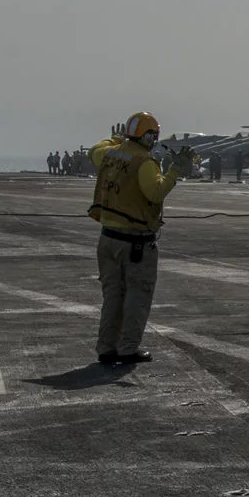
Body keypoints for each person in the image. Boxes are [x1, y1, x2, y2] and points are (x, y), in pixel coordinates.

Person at [86, 112, 185, 366]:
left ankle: (106, 348)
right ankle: (129, 348)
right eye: (153, 135)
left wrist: (115, 140)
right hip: (135, 244)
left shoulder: (110, 154)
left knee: (112, 296)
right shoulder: (145, 162)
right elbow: (155, 192)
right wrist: (175, 171)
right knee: (137, 296)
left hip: (107, 239)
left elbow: (95, 150)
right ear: (148, 135)